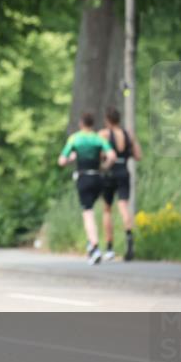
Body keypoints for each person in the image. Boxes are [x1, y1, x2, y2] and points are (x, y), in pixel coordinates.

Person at [58, 112, 116, 264]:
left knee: (88, 213)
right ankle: (92, 243)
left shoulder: (75, 139)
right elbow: (112, 155)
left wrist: (72, 158)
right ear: (93, 124)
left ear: (81, 124)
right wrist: (104, 166)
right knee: (97, 210)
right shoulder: (98, 138)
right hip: (98, 177)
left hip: (83, 178)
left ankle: (95, 247)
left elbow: (61, 161)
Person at [99, 107, 142, 261]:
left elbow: (101, 154)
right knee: (124, 206)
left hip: (110, 173)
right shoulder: (128, 134)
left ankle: (109, 246)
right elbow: (138, 156)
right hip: (124, 171)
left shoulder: (104, 134)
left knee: (107, 209)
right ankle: (129, 236)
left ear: (107, 120)